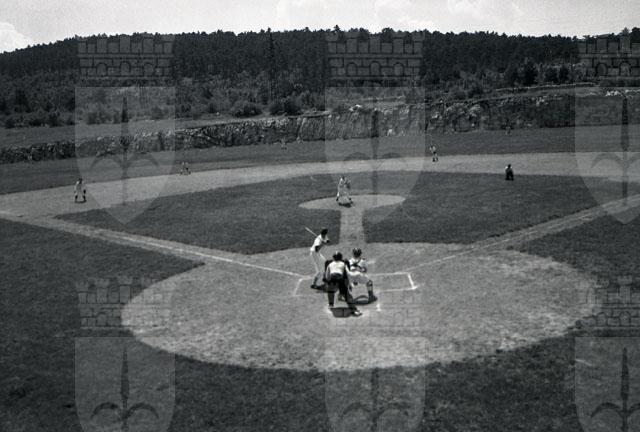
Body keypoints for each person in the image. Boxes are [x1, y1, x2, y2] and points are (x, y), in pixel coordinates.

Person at [325, 251, 362, 317]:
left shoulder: (330, 264)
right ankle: (354, 310)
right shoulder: (343, 263)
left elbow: (327, 276)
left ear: (333, 258)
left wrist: (329, 285)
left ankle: (330, 305)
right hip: (340, 279)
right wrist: (350, 284)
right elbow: (348, 274)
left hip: (332, 278)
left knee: (330, 291)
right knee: (347, 295)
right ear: (341, 258)